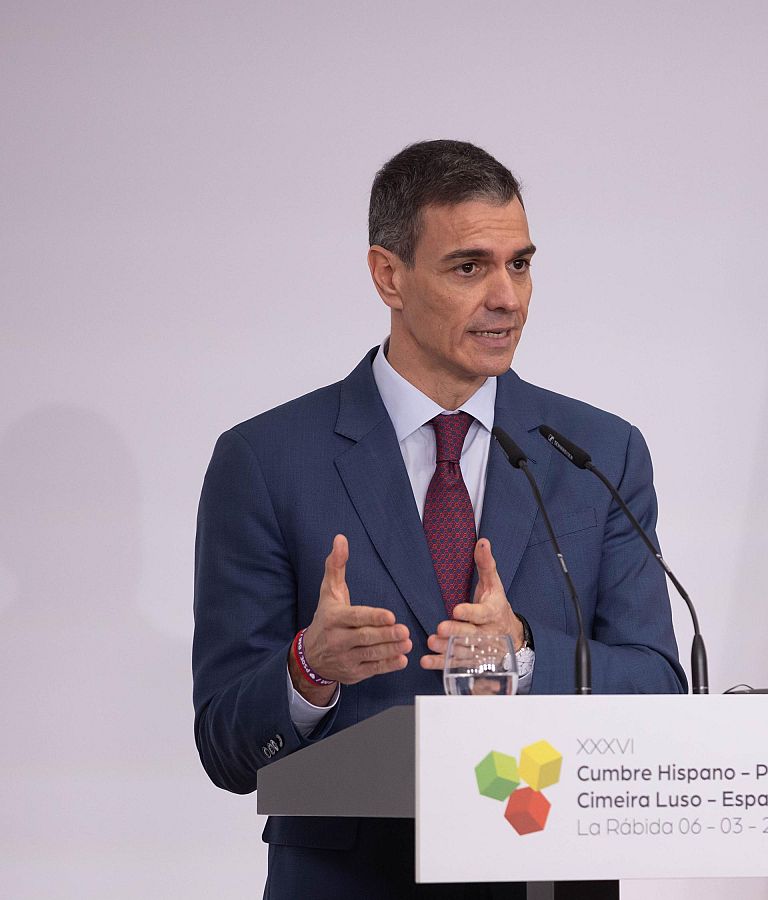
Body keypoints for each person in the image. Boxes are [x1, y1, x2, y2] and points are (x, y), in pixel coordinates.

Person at [192, 140, 686, 898]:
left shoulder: (597, 454)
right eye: (469, 267)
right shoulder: (266, 460)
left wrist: (522, 651)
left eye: (519, 264)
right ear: (389, 275)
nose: (508, 298)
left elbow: (657, 691)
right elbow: (226, 745)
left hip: (547, 875)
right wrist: (309, 667)